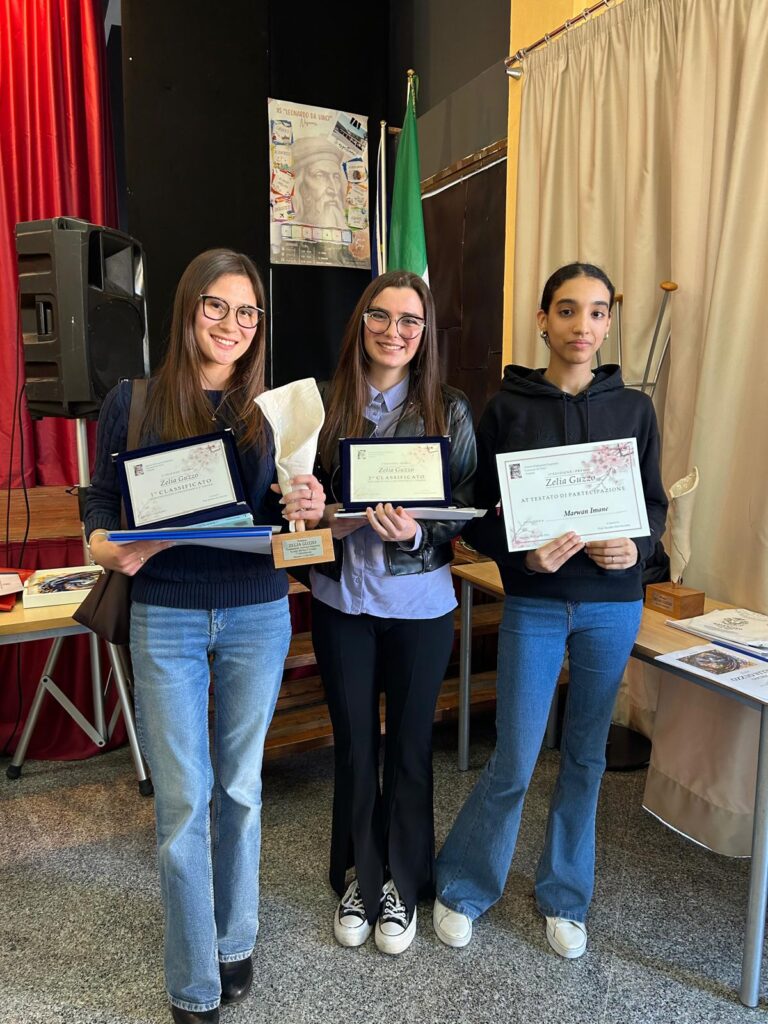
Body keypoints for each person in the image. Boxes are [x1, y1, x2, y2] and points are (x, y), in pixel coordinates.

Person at [85, 249, 325, 1024]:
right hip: (166, 611)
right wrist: (101, 544)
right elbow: (101, 499)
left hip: (257, 609)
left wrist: (308, 503)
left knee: (241, 789)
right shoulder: (133, 401)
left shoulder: (276, 411)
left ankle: (234, 939)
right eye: (216, 306)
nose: (232, 323)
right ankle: (193, 979)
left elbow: (290, 518)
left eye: (247, 311)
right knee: (184, 800)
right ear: (188, 310)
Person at [432, 263, 667, 959]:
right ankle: (465, 886)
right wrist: (523, 558)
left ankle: (565, 898)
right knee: (515, 755)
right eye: (567, 310)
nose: (582, 326)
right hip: (535, 605)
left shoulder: (635, 411)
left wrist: (636, 547)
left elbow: (653, 506)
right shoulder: (507, 408)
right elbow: (478, 516)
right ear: (542, 320)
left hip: (612, 608)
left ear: (608, 323)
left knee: (586, 757)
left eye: (596, 312)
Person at [310, 269, 477, 955]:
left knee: (409, 750)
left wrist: (415, 533)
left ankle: (403, 885)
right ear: (361, 321)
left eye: (410, 321)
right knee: (354, 749)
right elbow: (293, 500)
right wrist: (321, 515)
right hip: (341, 602)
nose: (394, 332)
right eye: (381, 316)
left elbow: (465, 504)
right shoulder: (322, 404)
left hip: (420, 605)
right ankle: (360, 875)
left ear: (425, 332)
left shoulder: (450, 409)